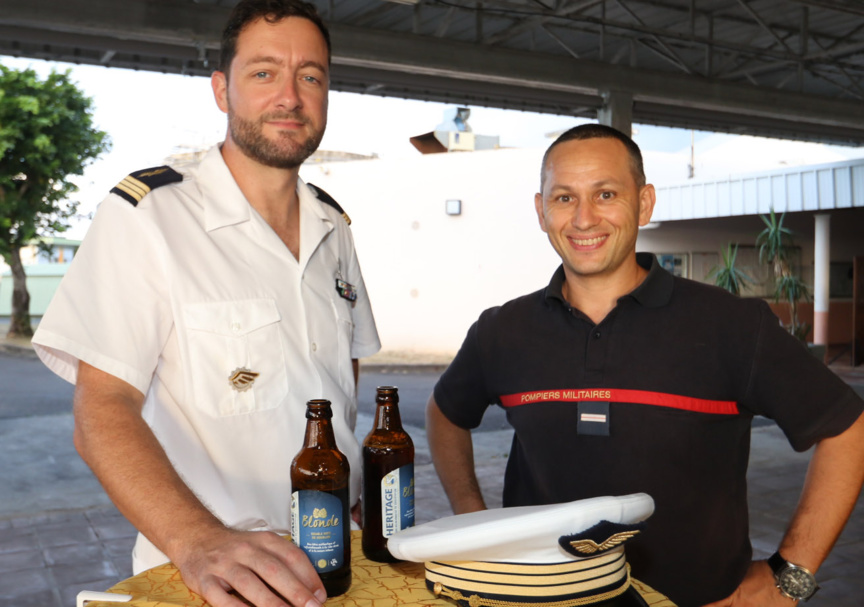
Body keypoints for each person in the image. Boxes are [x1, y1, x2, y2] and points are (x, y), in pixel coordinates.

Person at [425, 123, 864, 606]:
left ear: (645, 203)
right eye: (564, 198)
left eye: (606, 193)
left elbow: (847, 429)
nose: (584, 219)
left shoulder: (732, 324)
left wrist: (791, 573)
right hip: (537, 600)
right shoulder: (502, 330)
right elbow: (446, 413)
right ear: (541, 210)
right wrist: (474, 522)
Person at [32, 1, 380, 606]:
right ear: (222, 89)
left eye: (311, 76)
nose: (290, 97)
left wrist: (348, 498)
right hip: (209, 578)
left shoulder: (334, 225)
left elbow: (340, 369)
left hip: (332, 563)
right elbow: (101, 412)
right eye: (264, 72)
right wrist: (199, 541)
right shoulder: (151, 215)